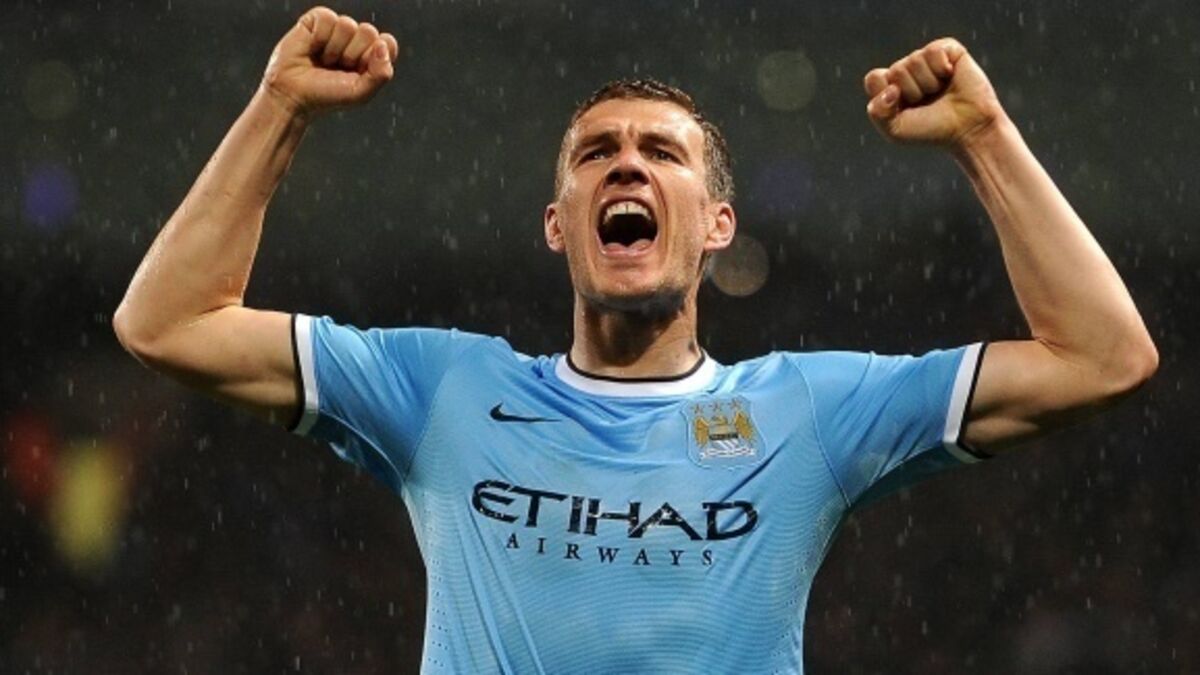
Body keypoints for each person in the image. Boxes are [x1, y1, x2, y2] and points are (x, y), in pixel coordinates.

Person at [113, 6, 1157, 673]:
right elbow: (166, 322)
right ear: (557, 224)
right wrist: (281, 107)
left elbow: (1104, 357)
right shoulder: (442, 388)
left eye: (662, 153)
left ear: (717, 224)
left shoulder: (807, 410)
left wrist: (984, 137)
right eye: (595, 154)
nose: (627, 165)